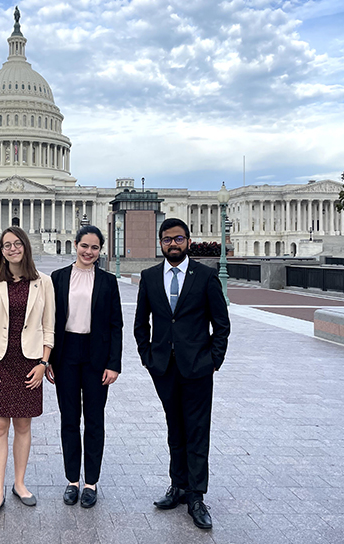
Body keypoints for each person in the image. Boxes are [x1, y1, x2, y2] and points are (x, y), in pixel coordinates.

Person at [133, 218, 230, 530]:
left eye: (177, 239)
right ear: (160, 243)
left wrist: (213, 360)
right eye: (166, 240)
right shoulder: (149, 277)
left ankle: (196, 495)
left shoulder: (206, 275)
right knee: (175, 428)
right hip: (163, 367)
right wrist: (148, 357)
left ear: (188, 240)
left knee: (197, 430)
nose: (172, 244)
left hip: (198, 366)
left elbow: (221, 323)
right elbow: (140, 323)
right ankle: (177, 486)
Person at [0, 226, 55, 518]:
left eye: (16, 243)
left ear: (26, 246)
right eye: (6, 245)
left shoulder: (43, 282)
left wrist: (43, 363)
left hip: (28, 363)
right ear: (1, 249)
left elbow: (50, 327)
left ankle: (20, 484)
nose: (11, 249)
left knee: (23, 426)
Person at [48, 225, 122, 508]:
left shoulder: (107, 280)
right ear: (75, 245)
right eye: (84, 246)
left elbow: (116, 325)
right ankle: (72, 480)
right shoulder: (58, 278)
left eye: (94, 247)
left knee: (94, 419)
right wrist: (49, 359)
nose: (88, 252)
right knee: (68, 418)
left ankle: (91, 481)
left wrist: (113, 364)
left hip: (96, 355)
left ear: (100, 250)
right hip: (66, 353)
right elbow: (51, 321)